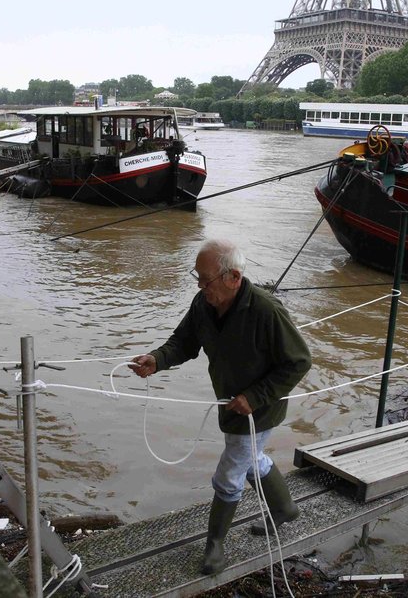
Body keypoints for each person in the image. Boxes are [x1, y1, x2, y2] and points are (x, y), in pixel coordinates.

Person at [130, 239, 311, 575]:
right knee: (251, 459)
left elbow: (299, 362)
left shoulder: (266, 310)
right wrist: (156, 359)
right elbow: (183, 342)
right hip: (230, 403)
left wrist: (255, 397)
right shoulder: (204, 303)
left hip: (260, 408)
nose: (200, 286)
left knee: (229, 473)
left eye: (206, 279)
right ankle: (284, 509)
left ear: (234, 277)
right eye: (197, 277)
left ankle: (215, 545)